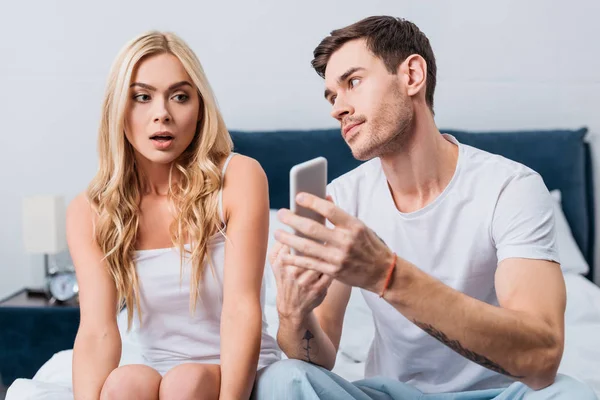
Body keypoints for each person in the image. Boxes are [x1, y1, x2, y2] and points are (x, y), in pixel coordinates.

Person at [254, 16, 597, 399]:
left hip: (501, 394)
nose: (338, 108)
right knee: (280, 379)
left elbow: (542, 357)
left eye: (352, 83)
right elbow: (319, 359)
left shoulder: (510, 188)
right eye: (332, 96)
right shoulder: (343, 199)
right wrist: (293, 313)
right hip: (391, 393)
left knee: (572, 393)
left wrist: (386, 274)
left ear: (413, 75)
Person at [66, 31, 279, 400]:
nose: (162, 113)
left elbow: (241, 309)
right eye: (142, 97)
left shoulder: (239, 177)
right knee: (122, 383)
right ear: (119, 108)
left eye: (179, 97)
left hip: (236, 369)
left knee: (185, 383)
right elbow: (97, 331)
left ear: (199, 108)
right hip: (156, 371)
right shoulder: (89, 210)